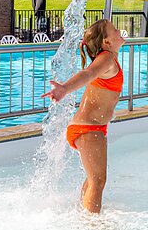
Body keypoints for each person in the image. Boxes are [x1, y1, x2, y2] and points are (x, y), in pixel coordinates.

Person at [41, 19, 125, 212]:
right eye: (114, 29)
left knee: (93, 178)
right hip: (88, 127)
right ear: (107, 42)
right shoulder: (107, 58)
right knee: (98, 180)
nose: (119, 30)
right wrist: (65, 89)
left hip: (93, 127)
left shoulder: (109, 59)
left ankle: (83, 213)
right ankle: (92, 227)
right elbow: (88, 74)